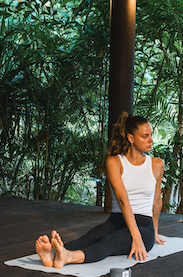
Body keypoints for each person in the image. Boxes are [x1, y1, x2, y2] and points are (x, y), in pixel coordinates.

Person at [36, 112, 165, 268]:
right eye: (145, 136)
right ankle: (52, 254)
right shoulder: (115, 162)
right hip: (117, 220)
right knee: (90, 238)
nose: (151, 140)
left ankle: (68, 257)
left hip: (143, 226)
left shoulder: (156, 164)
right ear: (131, 138)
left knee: (109, 242)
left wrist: (151, 232)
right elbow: (122, 199)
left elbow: (156, 201)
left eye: (151, 135)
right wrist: (135, 235)